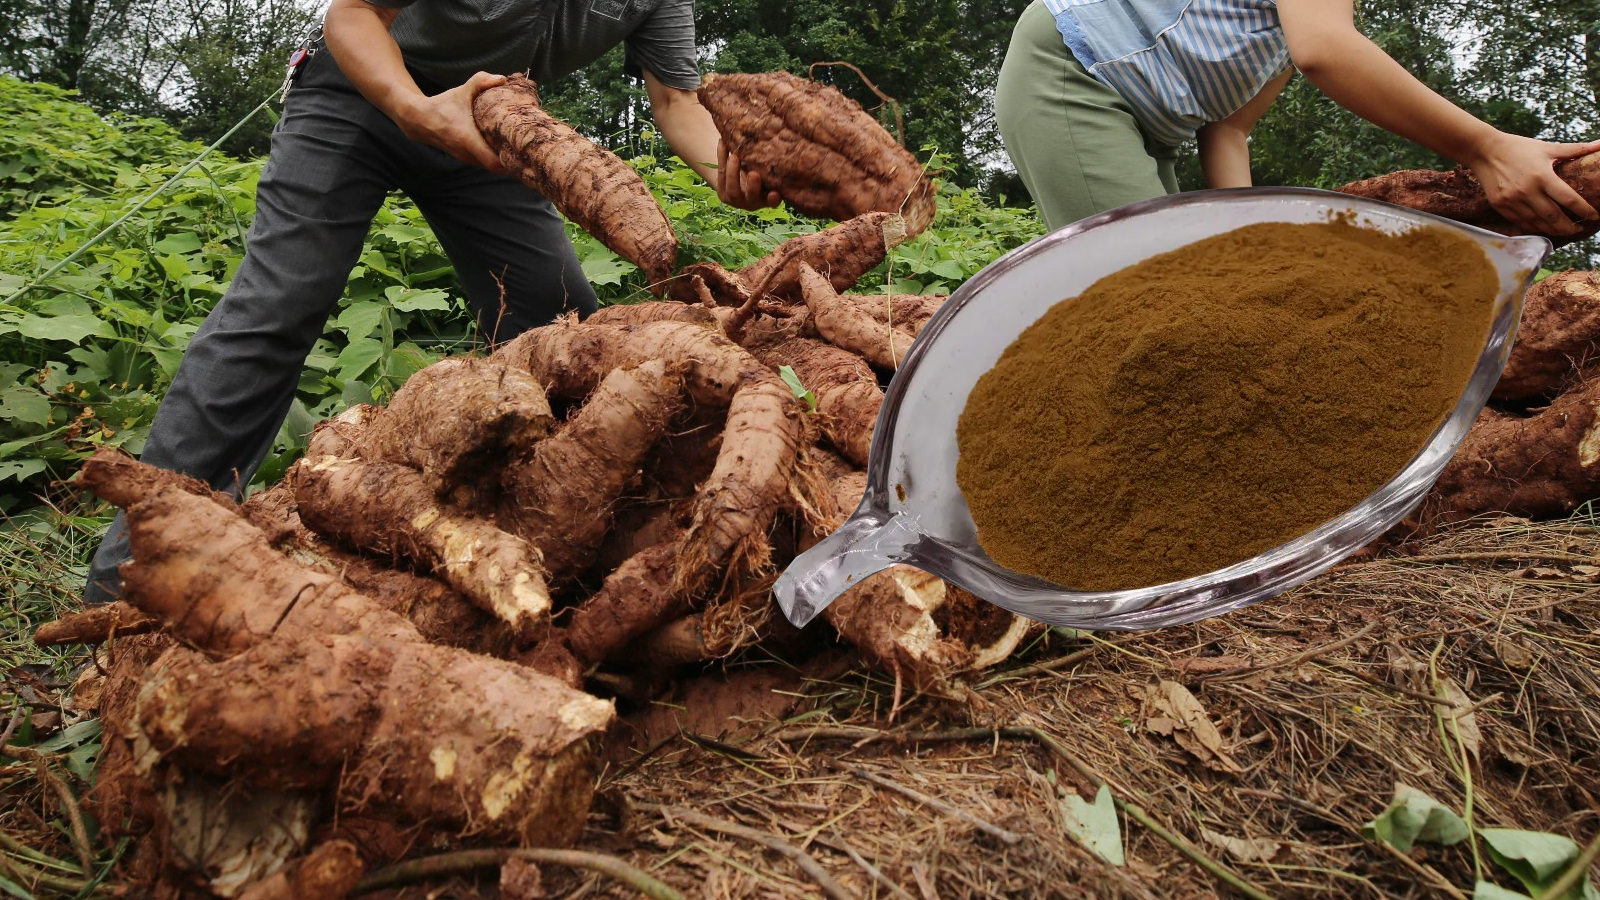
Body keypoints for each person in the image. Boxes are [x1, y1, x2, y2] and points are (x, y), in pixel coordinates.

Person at [82, 0, 778, 603]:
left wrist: (731, 170)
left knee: (557, 320)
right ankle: (137, 571)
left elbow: (677, 102)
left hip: (488, 123)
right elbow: (354, 15)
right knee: (276, 309)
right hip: (358, 95)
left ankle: (544, 547)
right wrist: (414, 109)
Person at [995, 0, 1600, 232]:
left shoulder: (1287, 25)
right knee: (1142, 300)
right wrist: (1486, 148)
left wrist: (1249, 233)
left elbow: (1228, 127)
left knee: (1183, 285)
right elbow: (1326, 52)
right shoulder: (1314, 23)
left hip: (1153, 123)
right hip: (1077, 71)